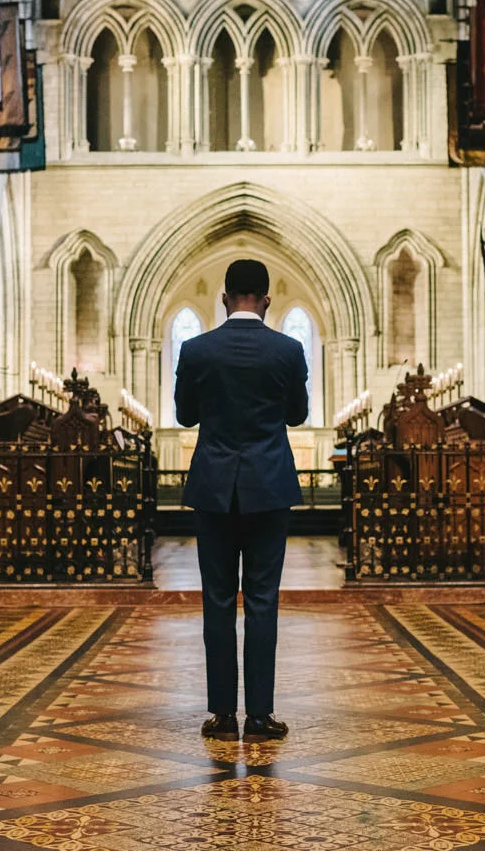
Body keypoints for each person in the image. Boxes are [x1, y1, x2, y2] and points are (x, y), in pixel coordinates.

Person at [174, 258, 309, 742]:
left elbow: (186, 416)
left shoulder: (197, 349)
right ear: (267, 300)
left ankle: (222, 716)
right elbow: (297, 415)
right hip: (269, 486)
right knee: (262, 601)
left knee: (216, 601)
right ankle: (260, 715)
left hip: (213, 488)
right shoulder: (288, 350)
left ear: (225, 299)